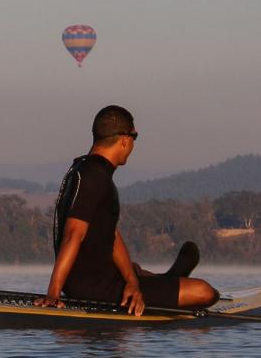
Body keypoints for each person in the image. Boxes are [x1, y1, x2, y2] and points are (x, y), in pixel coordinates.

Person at [37, 105, 219, 316]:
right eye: (135, 137)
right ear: (124, 139)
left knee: (137, 274)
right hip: (96, 290)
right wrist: (53, 293)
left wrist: (132, 282)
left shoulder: (84, 169)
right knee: (206, 292)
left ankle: (167, 277)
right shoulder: (94, 175)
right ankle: (172, 280)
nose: (133, 144)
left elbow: (111, 234)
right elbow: (72, 234)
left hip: (100, 279)